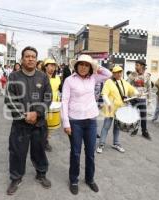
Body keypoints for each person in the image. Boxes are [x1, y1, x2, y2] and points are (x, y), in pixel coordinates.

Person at [4, 46, 52, 195]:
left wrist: (37, 113)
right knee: (17, 151)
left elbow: (48, 97)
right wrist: (24, 114)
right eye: (27, 56)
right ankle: (16, 178)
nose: (30, 59)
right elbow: (9, 98)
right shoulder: (14, 77)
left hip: (39, 123)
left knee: (39, 150)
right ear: (22, 59)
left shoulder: (43, 77)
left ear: (36, 59)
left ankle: (41, 174)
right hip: (20, 123)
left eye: (33, 56)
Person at [62, 54, 112, 195]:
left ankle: (89, 179)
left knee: (90, 153)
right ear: (76, 66)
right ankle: (74, 180)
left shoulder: (93, 78)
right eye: (81, 64)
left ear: (90, 67)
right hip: (75, 121)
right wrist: (66, 123)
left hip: (91, 120)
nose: (83, 67)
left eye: (86, 65)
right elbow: (64, 102)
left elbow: (108, 74)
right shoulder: (69, 80)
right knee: (76, 153)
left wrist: (96, 66)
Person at [97, 65, 139, 154]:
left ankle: (116, 143)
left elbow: (132, 90)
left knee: (117, 127)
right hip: (110, 109)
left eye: (120, 72)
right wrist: (108, 103)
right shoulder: (108, 82)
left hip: (120, 109)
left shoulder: (124, 82)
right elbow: (104, 94)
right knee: (106, 127)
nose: (119, 74)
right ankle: (101, 144)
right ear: (113, 73)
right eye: (117, 72)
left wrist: (137, 93)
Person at [128, 60, 152, 140]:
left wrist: (149, 99)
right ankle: (135, 129)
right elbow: (127, 85)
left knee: (143, 116)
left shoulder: (147, 76)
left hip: (142, 99)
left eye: (137, 65)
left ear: (142, 66)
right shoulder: (132, 74)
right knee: (134, 115)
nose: (135, 66)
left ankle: (144, 131)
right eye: (135, 65)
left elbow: (149, 88)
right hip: (133, 98)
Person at [42, 58, 61, 152]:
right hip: (44, 104)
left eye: (54, 66)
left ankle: (46, 141)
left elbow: (60, 89)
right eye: (50, 65)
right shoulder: (41, 77)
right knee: (43, 124)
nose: (52, 68)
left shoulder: (57, 78)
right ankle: (43, 142)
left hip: (54, 104)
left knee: (50, 126)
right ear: (45, 67)